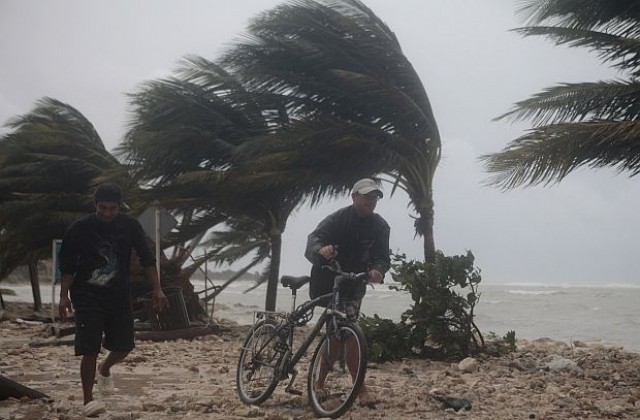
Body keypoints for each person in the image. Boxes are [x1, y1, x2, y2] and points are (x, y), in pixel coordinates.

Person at [58, 183, 168, 417]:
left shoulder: (130, 226)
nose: (107, 213)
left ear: (119, 207)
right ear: (94, 205)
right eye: (102, 208)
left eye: (112, 208)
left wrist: (158, 289)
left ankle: (105, 368)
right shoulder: (79, 228)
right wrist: (63, 296)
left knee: (124, 346)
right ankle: (88, 400)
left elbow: (147, 259)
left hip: (118, 294)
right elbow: (67, 265)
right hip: (86, 295)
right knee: (89, 348)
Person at [304, 177, 390, 407]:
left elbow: (383, 257)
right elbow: (313, 239)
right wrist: (320, 250)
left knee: (347, 333)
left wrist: (378, 270)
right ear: (354, 196)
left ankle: (326, 383)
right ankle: (351, 387)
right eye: (367, 196)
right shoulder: (338, 219)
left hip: (355, 284)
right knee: (339, 334)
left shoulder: (380, 226)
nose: (371, 201)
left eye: (375, 198)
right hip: (328, 282)